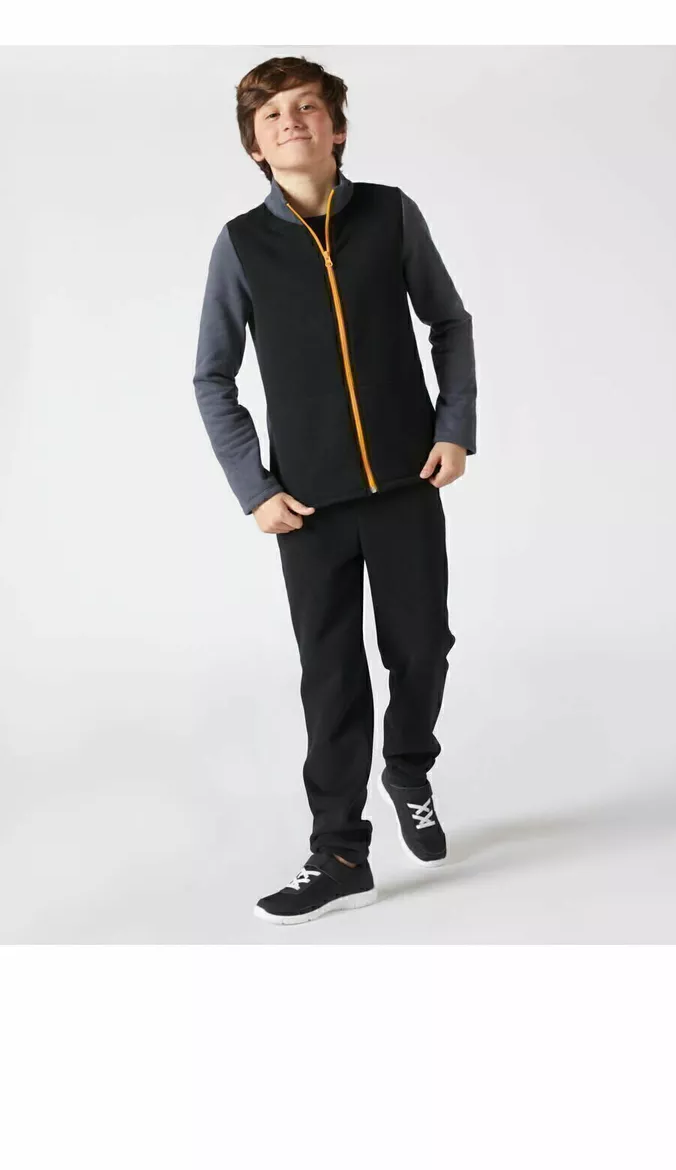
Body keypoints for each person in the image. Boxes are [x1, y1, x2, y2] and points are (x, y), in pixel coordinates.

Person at [192, 56, 477, 925]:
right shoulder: (242, 245)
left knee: (422, 647)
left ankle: (409, 766)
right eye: (272, 114)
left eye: (307, 107)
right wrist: (254, 489)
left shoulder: (390, 214)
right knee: (332, 677)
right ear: (255, 145)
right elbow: (212, 377)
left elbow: (448, 320)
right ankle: (340, 853)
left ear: (336, 128)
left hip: (404, 483)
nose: (291, 120)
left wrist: (454, 427)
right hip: (306, 509)